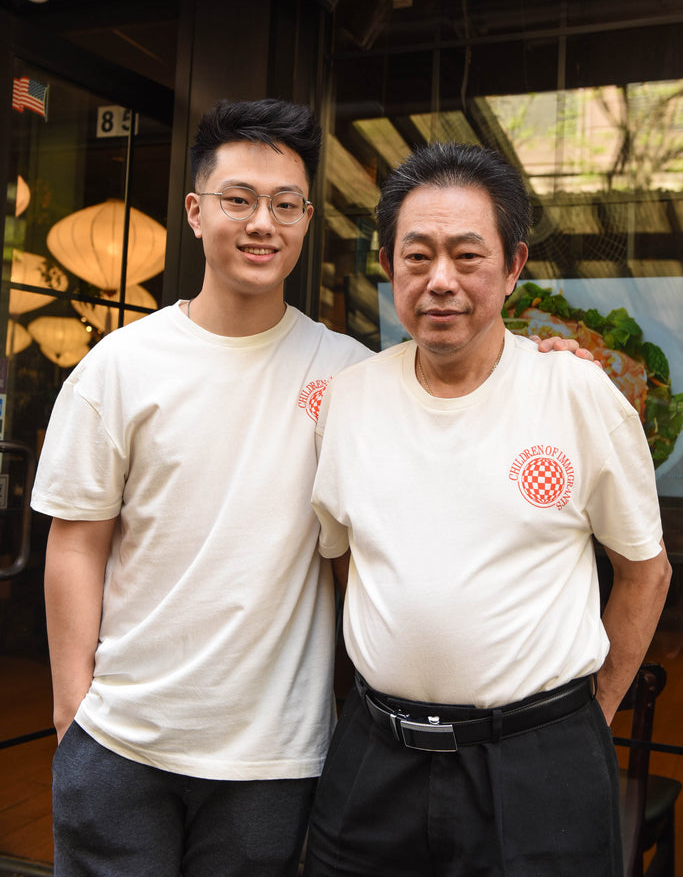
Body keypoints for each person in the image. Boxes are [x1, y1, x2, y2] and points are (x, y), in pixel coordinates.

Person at [32, 101, 592, 877]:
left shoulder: (351, 374)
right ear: (196, 213)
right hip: (124, 739)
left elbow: (460, 374)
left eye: (285, 204)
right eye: (238, 199)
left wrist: (543, 357)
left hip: (275, 754)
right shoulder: (119, 367)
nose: (262, 222)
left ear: (304, 221)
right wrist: (72, 711)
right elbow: (77, 537)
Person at [305, 141, 672, 877]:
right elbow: (346, 558)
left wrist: (584, 721)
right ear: (388, 265)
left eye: (466, 255)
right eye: (418, 256)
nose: (440, 280)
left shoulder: (575, 394)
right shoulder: (348, 399)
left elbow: (644, 572)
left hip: (537, 766)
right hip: (374, 756)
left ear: (510, 267)